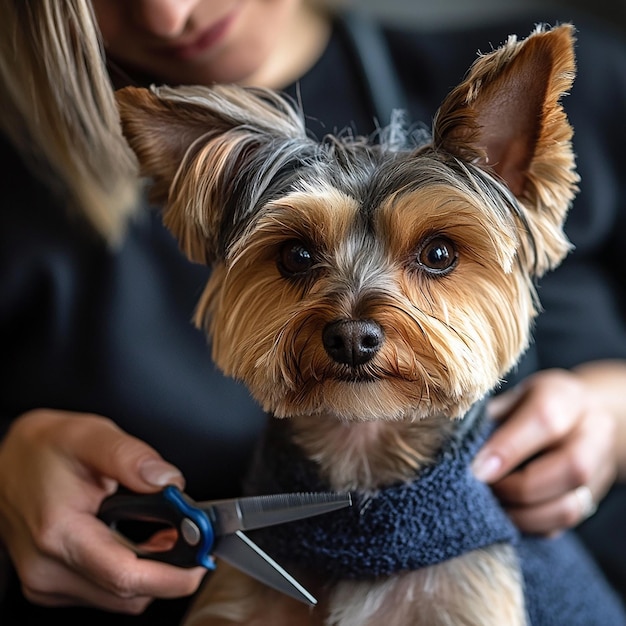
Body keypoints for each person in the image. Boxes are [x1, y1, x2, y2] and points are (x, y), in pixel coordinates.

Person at [0, 1, 625, 624]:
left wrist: (614, 409)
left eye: (435, 255)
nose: (167, 13)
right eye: (299, 257)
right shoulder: (21, 193)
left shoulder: (595, 85)